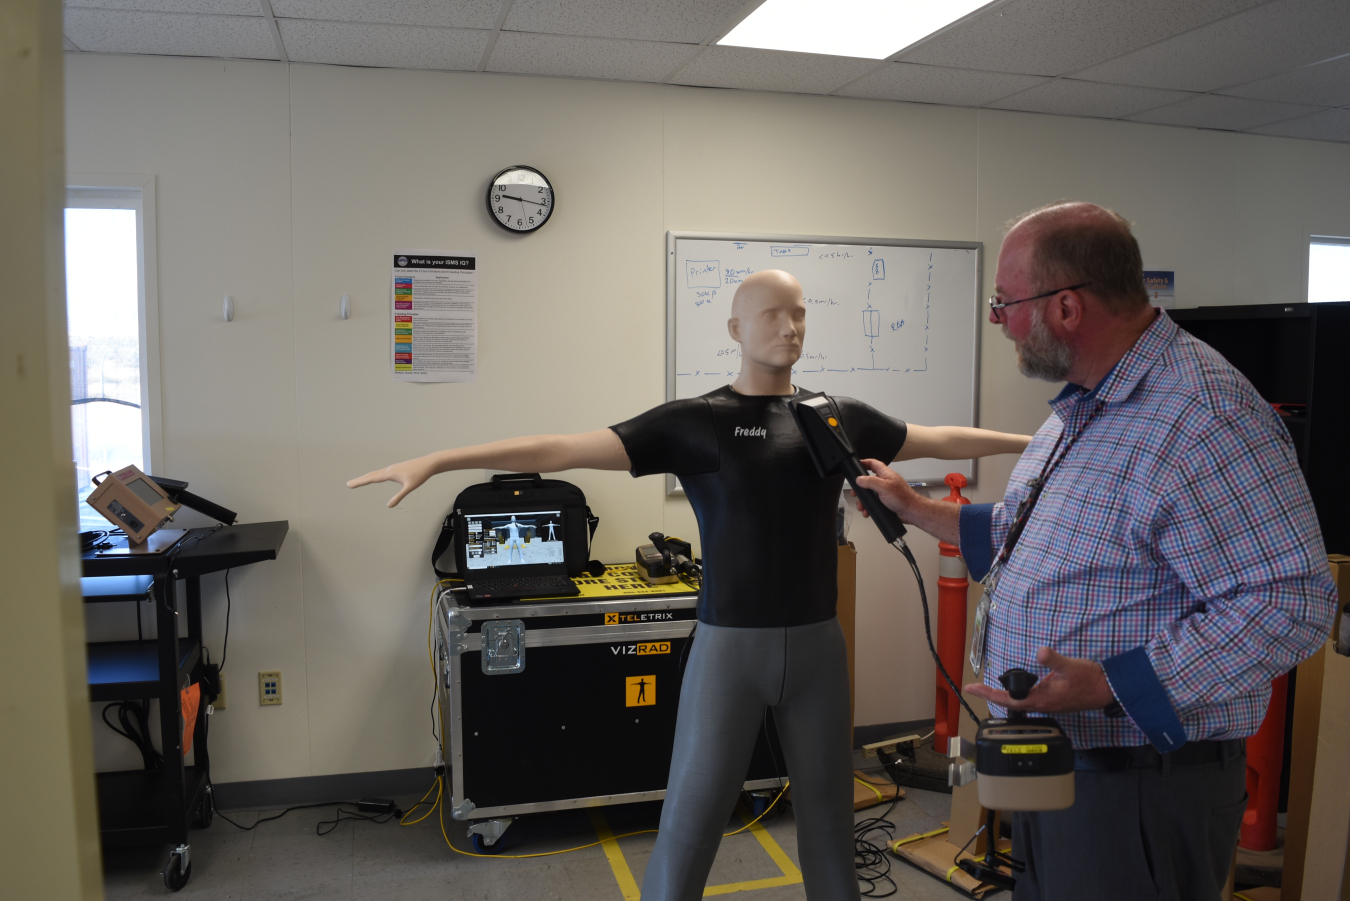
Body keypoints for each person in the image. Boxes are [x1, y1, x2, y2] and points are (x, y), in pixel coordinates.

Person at [349, 269, 1031, 900]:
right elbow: (560, 447)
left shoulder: (835, 416)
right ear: (734, 329)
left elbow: (938, 437)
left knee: (827, 821)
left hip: (820, 646)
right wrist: (440, 459)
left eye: (799, 315)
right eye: (771, 315)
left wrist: (1040, 441)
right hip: (729, 650)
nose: (789, 328)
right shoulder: (696, 422)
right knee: (692, 817)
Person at [855, 202, 1338, 901]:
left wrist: (1113, 682)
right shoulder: (1088, 403)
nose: (1000, 322)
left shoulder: (1204, 415)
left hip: (1140, 782)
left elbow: (1290, 601)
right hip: (1066, 764)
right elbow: (1047, 533)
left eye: (1004, 304)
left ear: (1067, 308)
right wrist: (920, 510)